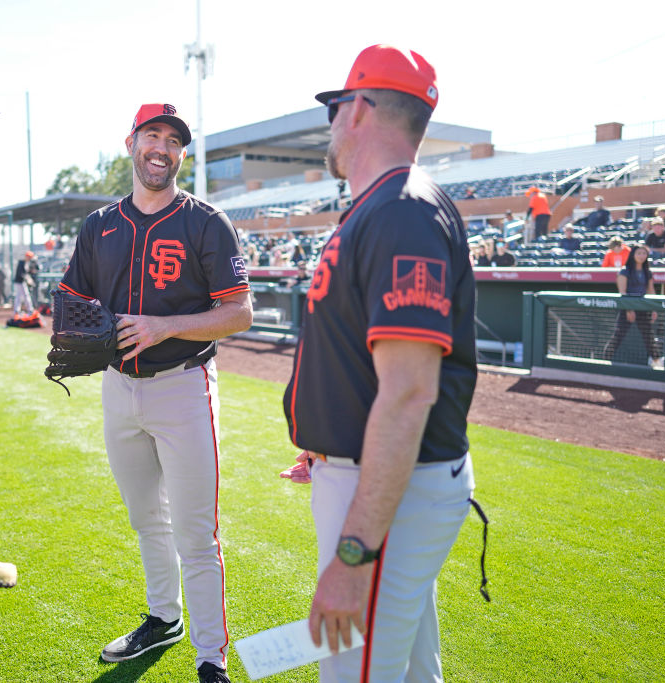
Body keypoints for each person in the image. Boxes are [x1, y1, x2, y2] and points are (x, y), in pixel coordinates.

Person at [283, 44, 479, 681]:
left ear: (361, 108)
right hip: (377, 476)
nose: (331, 124)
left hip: (393, 489)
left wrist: (353, 557)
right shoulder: (384, 205)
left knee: (354, 674)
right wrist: (325, 441)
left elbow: (406, 395)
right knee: (411, 670)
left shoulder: (402, 212)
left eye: (337, 106)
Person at [57, 103, 252, 683]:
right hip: (119, 388)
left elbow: (239, 312)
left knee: (196, 532)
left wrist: (164, 326)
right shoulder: (99, 225)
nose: (160, 147)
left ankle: (211, 657)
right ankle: (164, 618)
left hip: (183, 386)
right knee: (148, 520)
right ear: (131, 143)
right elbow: (70, 298)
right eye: (151, 135)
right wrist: (79, 327)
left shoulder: (206, 222)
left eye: (172, 139)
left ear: (182, 154)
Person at [603, 245, 661, 367]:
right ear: (633, 255)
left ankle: (657, 362)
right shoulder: (625, 270)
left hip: (643, 308)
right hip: (627, 308)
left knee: (649, 336)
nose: (641, 256)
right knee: (618, 334)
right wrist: (629, 309)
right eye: (639, 253)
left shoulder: (647, 272)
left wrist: (654, 309)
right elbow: (622, 292)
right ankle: (605, 361)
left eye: (644, 253)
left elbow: (651, 291)